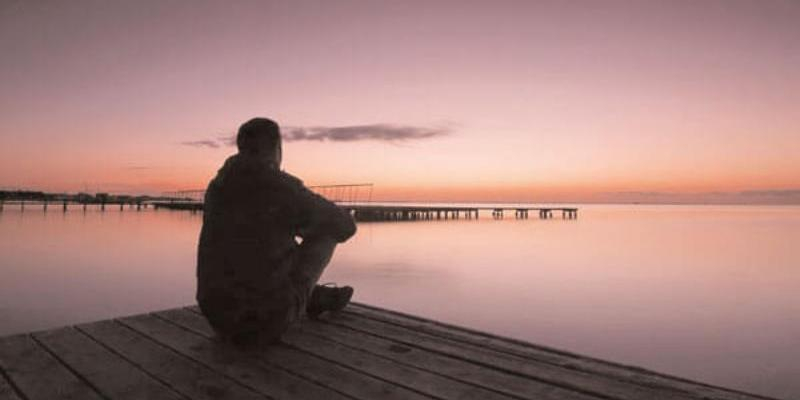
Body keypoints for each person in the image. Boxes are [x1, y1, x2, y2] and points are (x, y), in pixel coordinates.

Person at [197, 117, 356, 346]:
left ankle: (314, 297)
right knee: (326, 234)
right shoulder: (281, 188)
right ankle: (305, 299)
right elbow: (345, 228)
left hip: (217, 317)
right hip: (263, 323)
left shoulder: (217, 187)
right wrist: (327, 217)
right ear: (276, 148)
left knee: (263, 243)